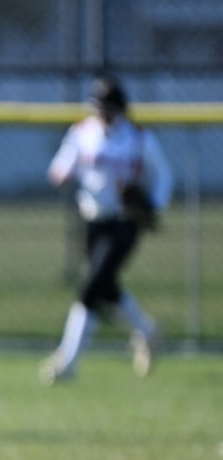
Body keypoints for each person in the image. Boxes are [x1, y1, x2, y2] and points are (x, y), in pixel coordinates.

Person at [41, 76, 173, 384]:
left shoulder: (138, 138)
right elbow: (60, 167)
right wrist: (62, 174)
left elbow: (164, 176)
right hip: (93, 220)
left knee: (90, 289)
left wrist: (153, 205)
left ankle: (67, 362)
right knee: (107, 289)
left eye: (108, 107)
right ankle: (148, 333)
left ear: (120, 108)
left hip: (125, 222)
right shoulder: (82, 132)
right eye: (99, 106)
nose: (103, 113)